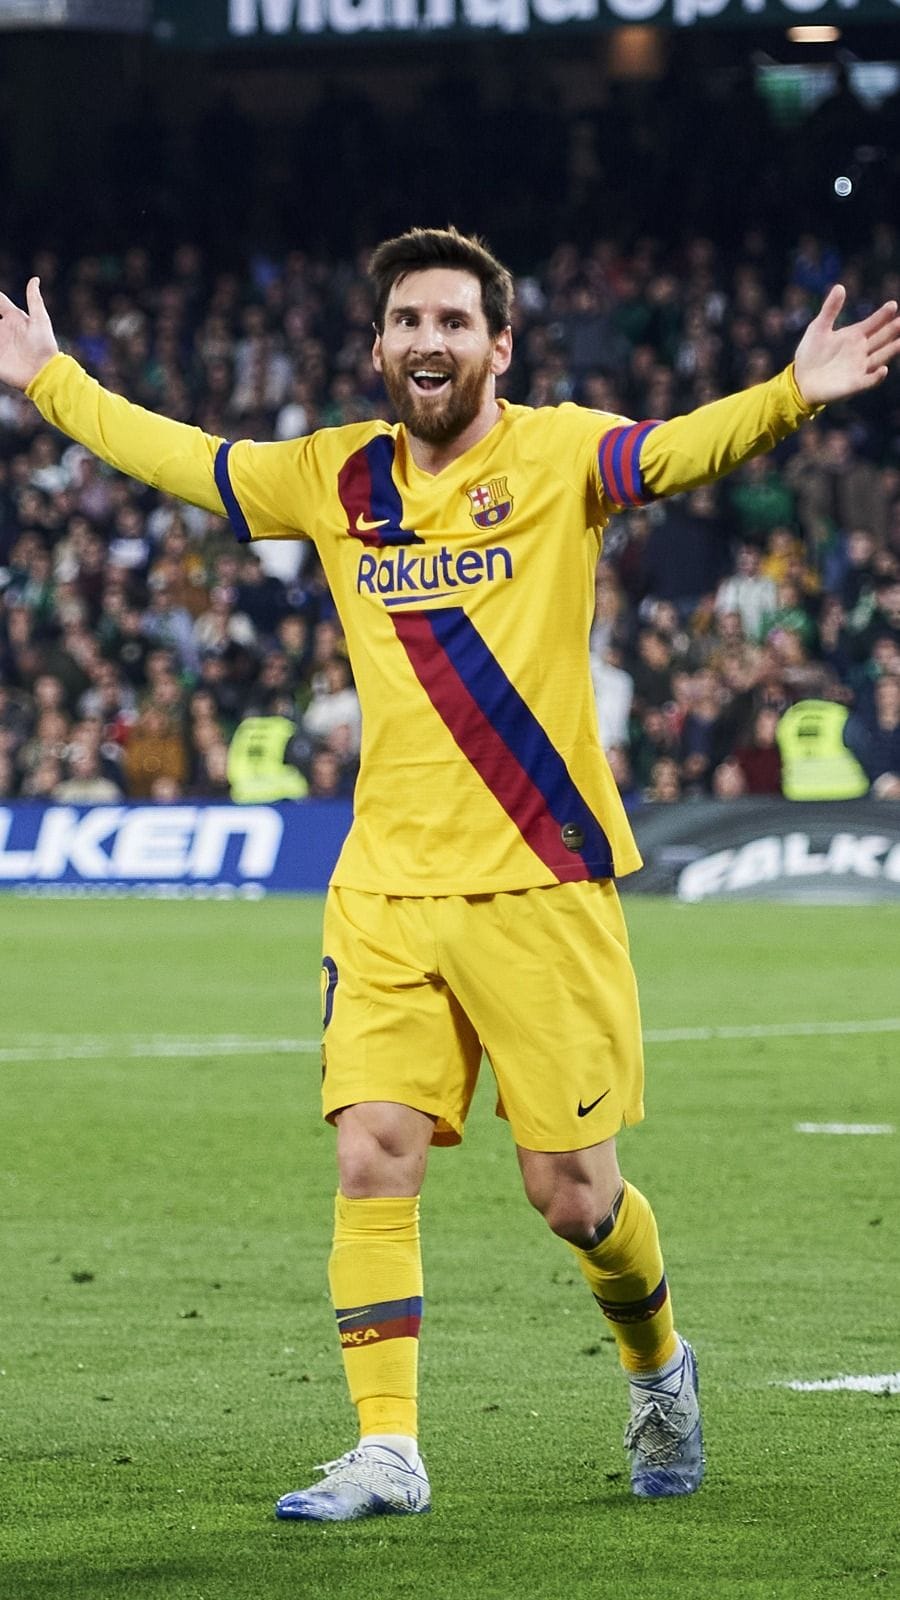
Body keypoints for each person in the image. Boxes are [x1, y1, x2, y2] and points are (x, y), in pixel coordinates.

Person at [1, 229, 897, 1523]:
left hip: (539, 884)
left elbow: (675, 451)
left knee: (573, 1196)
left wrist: (790, 396)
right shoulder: (336, 476)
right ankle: (388, 1449)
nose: (431, 340)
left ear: (500, 346)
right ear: (379, 346)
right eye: (409, 321)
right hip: (383, 887)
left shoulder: (559, 455)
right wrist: (52, 381)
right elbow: (185, 459)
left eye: (455, 321)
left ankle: (659, 1366)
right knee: (374, 1153)